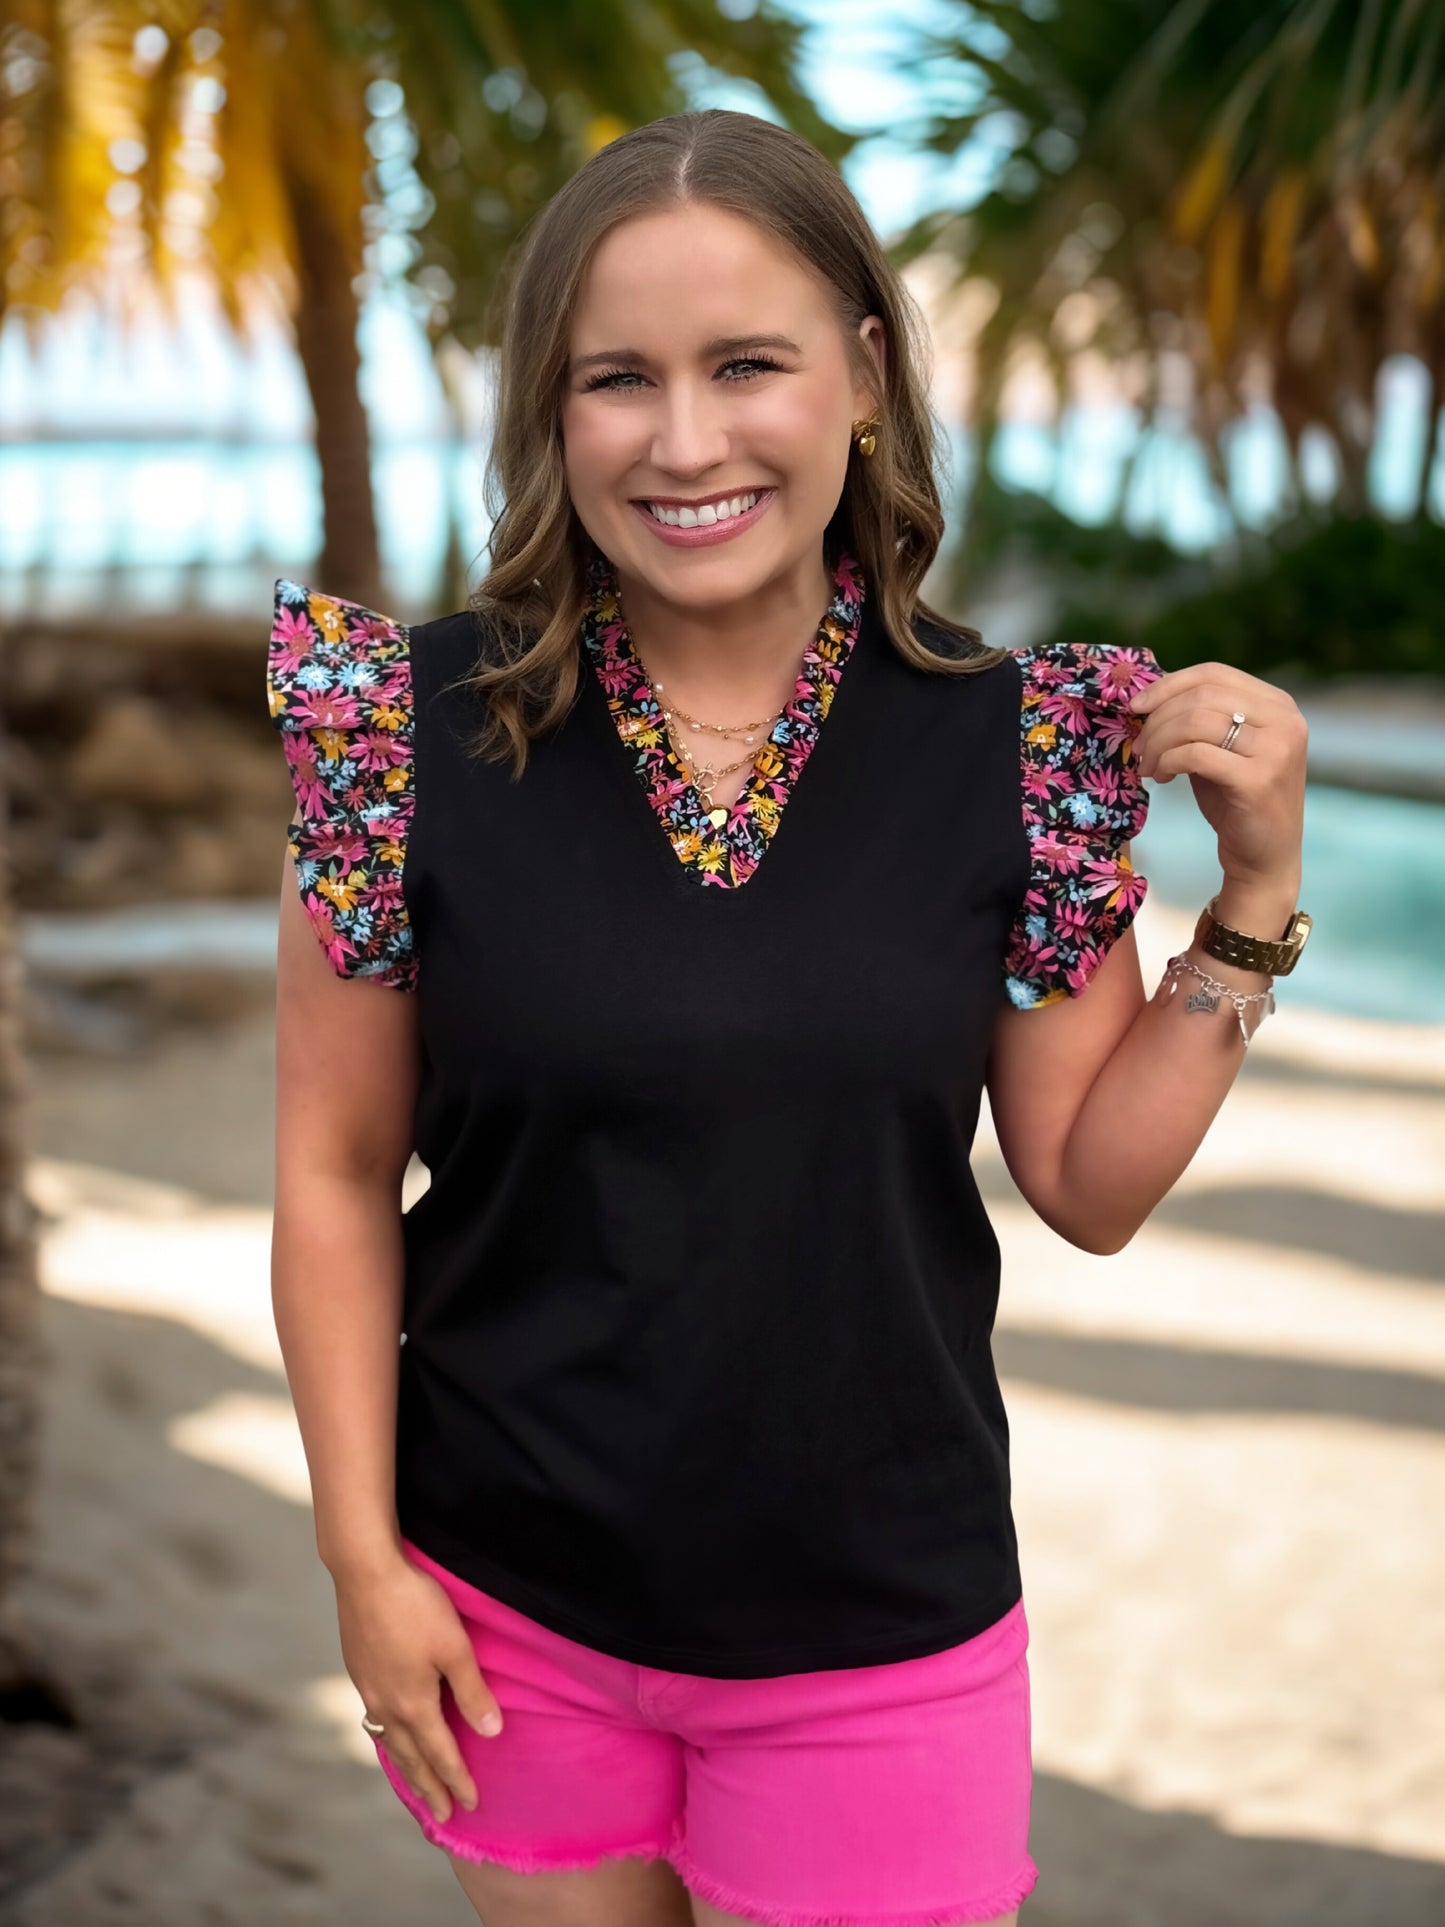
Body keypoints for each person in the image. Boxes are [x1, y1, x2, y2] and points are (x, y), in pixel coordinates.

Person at [266, 107, 1310, 1927]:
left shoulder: (1020, 748)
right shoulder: (393, 737)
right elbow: (336, 1171)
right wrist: (363, 1562)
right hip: (506, 1608)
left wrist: (1248, 908)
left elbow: (1087, 1182)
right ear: (550, 408)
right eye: (617, 380)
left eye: (746, 363)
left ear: (865, 378)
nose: (684, 443)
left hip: (877, 1628)